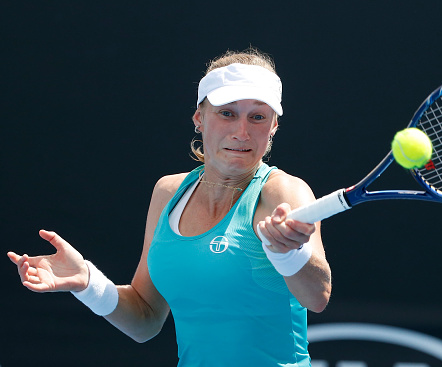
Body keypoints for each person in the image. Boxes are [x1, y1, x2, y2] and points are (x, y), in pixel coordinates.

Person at [7, 48, 332, 366]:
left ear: (273, 126)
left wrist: (290, 253)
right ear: (199, 118)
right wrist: (87, 281)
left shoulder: (284, 191)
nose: (241, 131)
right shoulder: (169, 192)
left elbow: (317, 297)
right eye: (227, 113)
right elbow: (145, 317)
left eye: (258, 117)